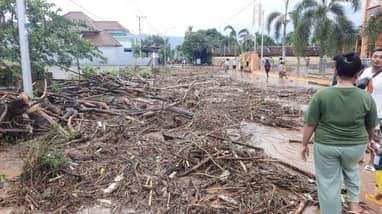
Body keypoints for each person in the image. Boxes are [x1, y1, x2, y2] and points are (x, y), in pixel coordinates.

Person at [301, 52, 378, 214]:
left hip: (326, 145)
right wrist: (368, 141)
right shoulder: (366, 97)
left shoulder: (322, 95)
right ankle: (354, 206)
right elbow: (371, 126)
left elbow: (310, 123)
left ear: (335, 71)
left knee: (328, 182)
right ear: (358, 73)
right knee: (352, 172)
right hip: (355, 146)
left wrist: (304, 144)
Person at [358, 48, 382, 172]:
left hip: (378, 112)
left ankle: (372, 161)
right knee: (360, 134)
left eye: (380, 57)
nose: (377, 59)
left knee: (375, 137)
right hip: (362, 110)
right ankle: (359, 156)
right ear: (371, 58)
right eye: (375, 56)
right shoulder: (366, 71)